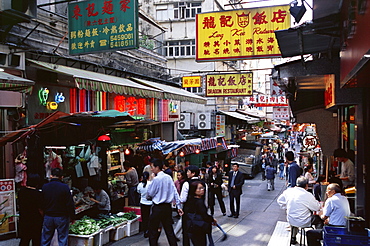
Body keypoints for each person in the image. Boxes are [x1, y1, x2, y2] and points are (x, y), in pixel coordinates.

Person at [146, 159, 183, 246]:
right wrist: (179, 206)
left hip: (158, 207)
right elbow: (175, 192)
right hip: (167, 207)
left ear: (157, 167)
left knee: (153, 230)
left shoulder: (156, 179)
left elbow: (150, 193)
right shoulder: (168, 178)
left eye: (152, 167)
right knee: (169, 230)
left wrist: (151, 181)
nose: (151, 169)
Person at [277, 177, 321, 245]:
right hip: (304, 221)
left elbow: (279, 201)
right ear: (306, 185)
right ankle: (318, 237)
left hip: (291, 219)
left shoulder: (288, 191)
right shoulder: (308, 195)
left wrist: (287, 206)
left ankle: (293, 238)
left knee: (294, 222)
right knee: (318, 220)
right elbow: (317, 207)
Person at [41, 168, 75, 246]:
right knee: (62, 238)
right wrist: (72, 216)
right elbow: (69, 203)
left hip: (48, 216)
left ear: (51, 176)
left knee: (45, 238)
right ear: (61, 177)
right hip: (61, 216)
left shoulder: (45, 187)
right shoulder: (64, 187)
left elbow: (41, 202)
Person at [180, 165, 207, 246]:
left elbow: (183, 199)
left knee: (186, 231)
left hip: (189, 211)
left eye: (188, 172)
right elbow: (206, 200)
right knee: (200, 231)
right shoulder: (203, 184)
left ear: (193, 173)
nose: (187, 173)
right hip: (200, 211)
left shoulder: (186, 184)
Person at [186, 181, 217, 246]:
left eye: (202, 188)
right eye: (199, 188)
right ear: (194, 190)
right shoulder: (199, 202)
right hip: (199, 228)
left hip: (192, 227)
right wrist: (212, 220)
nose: (202, 190)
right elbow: (204, 215)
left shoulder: (190, 199)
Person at [18, 173, 43, 246]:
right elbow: (40, 208)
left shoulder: (21, 192)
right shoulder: (38, 194)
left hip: (24, 219)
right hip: (35, 220)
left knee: (24, 239)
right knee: (36, 240)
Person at [137, 171, 152, 238]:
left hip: (143, 203)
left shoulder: (139, 185)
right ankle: (149, 230)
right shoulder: (150, 184)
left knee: (144, 217)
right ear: (148, 177)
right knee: (150, 217)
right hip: (150, 203)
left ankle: (145, 230)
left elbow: (138, 192)